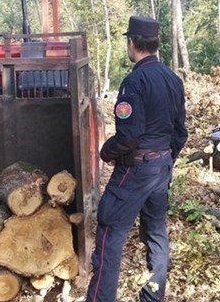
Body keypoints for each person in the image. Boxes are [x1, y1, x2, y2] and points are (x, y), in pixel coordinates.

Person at [86, 15, 187, 302]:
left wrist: (106, 152)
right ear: (154, 44)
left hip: (136, 171)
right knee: (156, 234)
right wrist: (166, 161)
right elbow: (180, 132)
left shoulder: (134, 82)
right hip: (161, 169)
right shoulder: (172, 79)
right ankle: (153, 298)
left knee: (110, 233)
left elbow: (129, 137)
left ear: (132, 44)